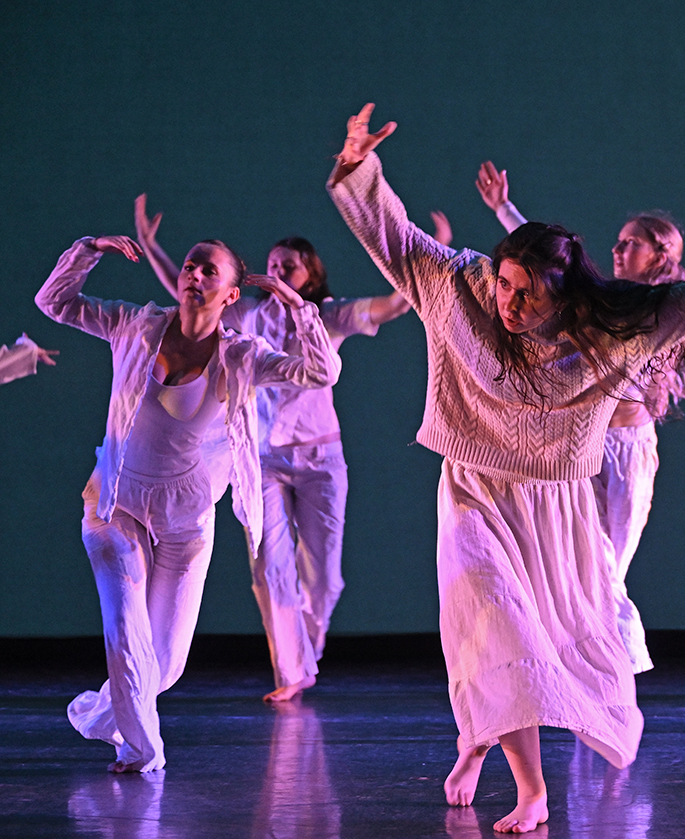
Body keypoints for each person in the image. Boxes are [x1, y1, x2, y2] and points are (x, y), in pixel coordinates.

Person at [327, 103, 685, 831]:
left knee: (549, 638)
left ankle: (479, 735)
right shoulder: (464, 286)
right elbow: (396, 241)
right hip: (473, 488)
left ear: (562, 292)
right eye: (505, 284)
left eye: (527, 292)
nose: (509, 301)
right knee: (491, 619)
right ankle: (532, 790)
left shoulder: (608, 328)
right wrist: (358, 167)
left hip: (557, 505)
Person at [475, 163, 685, 674]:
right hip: (580, 447)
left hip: (627, 450)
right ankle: (595, 665)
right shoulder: (597, 298)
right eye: (617, 241)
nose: (617, 250)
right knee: (577, 562)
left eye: (631, 243)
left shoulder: (670, 311)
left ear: (660, 254)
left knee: (607, 567)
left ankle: (615, 667)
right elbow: (543, 265)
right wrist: (505, 208)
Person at [37, 231, 339, 772]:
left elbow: (320, 372)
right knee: (126, 632)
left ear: (230, 296)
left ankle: (102, 716)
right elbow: (54, 302)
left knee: (166, 664)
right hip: (116, 505)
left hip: (187, 521)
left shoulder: (241, 356)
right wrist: (88, 249)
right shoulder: (136, 326)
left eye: (210, 272)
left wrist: (299, 309)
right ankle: (143, 750)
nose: (195, 275)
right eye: (191, 266)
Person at [131, 197, 452, 703]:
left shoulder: (329, 316)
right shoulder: (247, 315)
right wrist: (151, 247)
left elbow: (393, 306)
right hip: (264, 462)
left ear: (309, 273)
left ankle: (308, 642)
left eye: (289, 266)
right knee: (271, 566)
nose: (278, 270)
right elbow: (190, 289)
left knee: (324, 575)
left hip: (322, 462)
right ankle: (293, 669)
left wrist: (437, 257)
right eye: (273, 264)